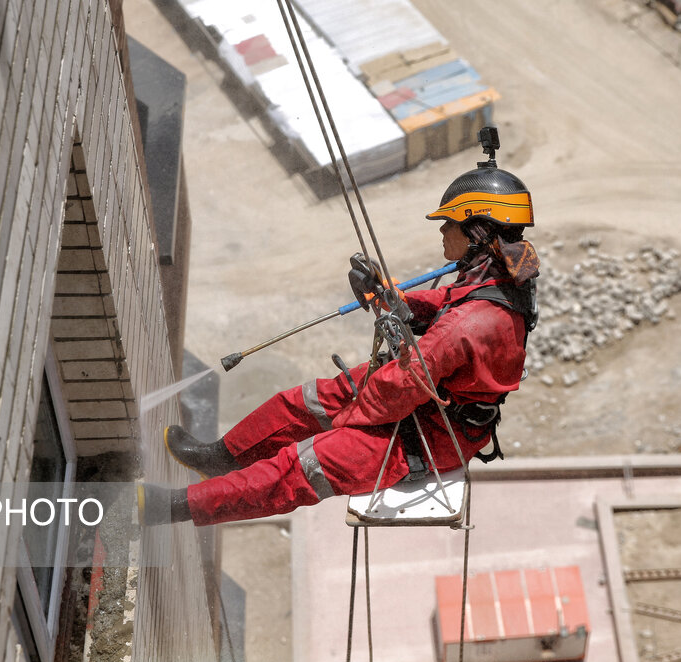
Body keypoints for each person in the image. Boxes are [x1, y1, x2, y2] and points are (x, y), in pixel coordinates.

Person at [139, 134, 540, 527]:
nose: (441, 232)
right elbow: (447, 304)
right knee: (303, 401)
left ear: (477, 230)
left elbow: (405, 382)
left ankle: (168, 507)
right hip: (430, 404)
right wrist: (388, 298)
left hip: (429, 436)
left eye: (449, 224)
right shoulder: (496, 280)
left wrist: (347, 420)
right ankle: (220, 458)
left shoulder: (471, 324)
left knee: (299, 467)